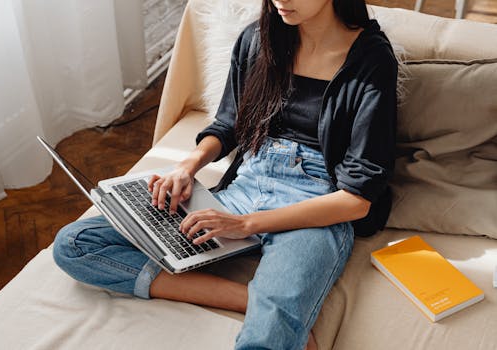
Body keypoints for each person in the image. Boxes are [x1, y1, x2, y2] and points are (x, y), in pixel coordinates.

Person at [53, 0, 398, 349]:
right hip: (245, 186)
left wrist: (245, 225)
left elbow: (357, 199)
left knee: (263, 342)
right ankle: (254, 301)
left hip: (316, 205)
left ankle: (273, 308)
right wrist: (187, 168)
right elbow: (229, 124)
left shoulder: (371, 59)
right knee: (75, 244)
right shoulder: (258, 39)